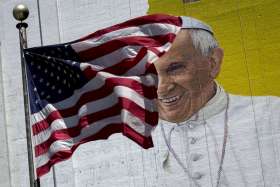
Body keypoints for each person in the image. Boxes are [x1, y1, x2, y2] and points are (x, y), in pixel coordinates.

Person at [151, 16, 280, 187]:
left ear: (213, 63)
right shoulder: (128, 137)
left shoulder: (271, 114)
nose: (161, 88)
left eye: (175, 68)